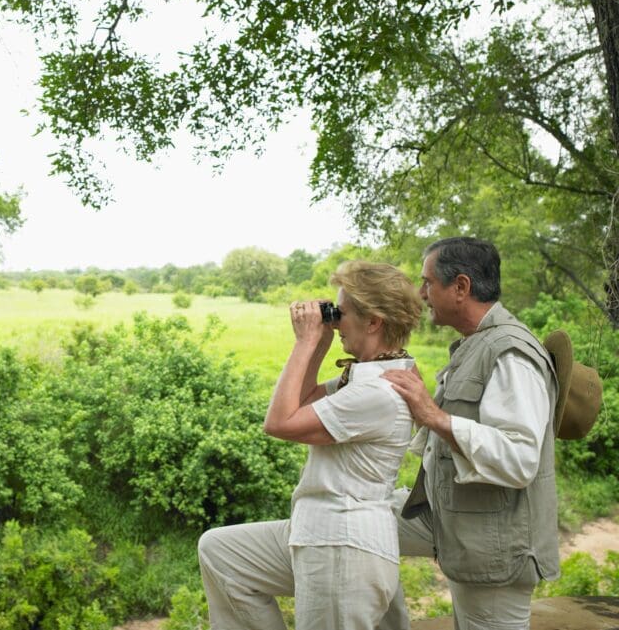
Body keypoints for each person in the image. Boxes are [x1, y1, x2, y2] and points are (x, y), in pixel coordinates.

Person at [198, 260, 423, 629]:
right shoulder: (366, 377)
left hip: (344, 548)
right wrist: (317, 343)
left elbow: (280, 422)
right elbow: (303, 402)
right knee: (221, 553)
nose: (335, 322)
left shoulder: (378, 391)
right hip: (318, 532)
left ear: (373, 322)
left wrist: (303, 341)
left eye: (341, 313)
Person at [379, 237, 559, 630]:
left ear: (460, 287)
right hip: (462, 528)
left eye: (428, 283)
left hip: (496, 551)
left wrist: (433, 415)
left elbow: (520, 458)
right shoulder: (477, 345)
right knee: (365, 518)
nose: (421, 293)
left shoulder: (510, 352)